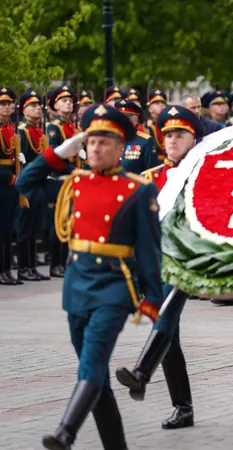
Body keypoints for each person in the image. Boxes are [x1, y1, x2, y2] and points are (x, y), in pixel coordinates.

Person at [15, 104, 162, 450]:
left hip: (114, 288)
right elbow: (25, 182)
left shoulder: (139, 190)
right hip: (77, 287)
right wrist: (58, 153)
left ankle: (66, 433)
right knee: (96, 376)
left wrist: (152, 299)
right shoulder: (75, 184)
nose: (95, 148)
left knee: (92, 363)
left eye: (104, 142)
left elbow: (149, 250)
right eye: (91, 141)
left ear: (121, 147)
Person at [116, 105, 204, 430]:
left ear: (194, 138)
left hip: (187, 263)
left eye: (179, 135)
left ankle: (140, 372)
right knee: (171, 338)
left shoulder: (205, 176)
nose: (172, 141)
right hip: (156, 264)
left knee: (164, 315)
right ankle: (184, 407)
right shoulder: (153, 177)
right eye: (168, 135)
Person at [16, 88, 50, 282]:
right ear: (24, 110)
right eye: (33, 106)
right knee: (24, 226)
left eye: (38, 105)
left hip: (38, 183)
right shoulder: (21, 131)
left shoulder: (38, 131)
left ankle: (31, 266)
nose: (38, 109)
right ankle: (22, 267)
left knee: (34, 225)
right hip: (28, 184)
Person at [46, 85, 77, 279]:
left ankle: (63, 261)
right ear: (55, 105)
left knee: (68, 221)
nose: (68, 103)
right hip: (60, 177)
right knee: (58, 221)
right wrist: (72, 170)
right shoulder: (54, 127)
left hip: (72, 177)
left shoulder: (71, 126)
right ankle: (54, 263)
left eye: (70, 100)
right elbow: (54, 156)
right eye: (64, 100)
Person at [0, 87, 21, 285]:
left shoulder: (11, 129)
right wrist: (9, 175)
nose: (7, 107)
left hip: (12, 183)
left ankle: (6, 270)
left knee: (8, 230)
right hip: (2, 182)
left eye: (9, 104)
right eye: (3, 104)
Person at [116, 99, 159, 174]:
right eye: (120, 116)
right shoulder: (110, 139)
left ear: (136, 119)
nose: (123, 120)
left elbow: (151, 174)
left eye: (128, 116)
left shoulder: (145, 141)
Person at [147, 89, 168, 161]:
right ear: (150, 109)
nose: (161, 105)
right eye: (156, 103)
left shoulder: (168, 125)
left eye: (163, 103)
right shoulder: (146, 127)